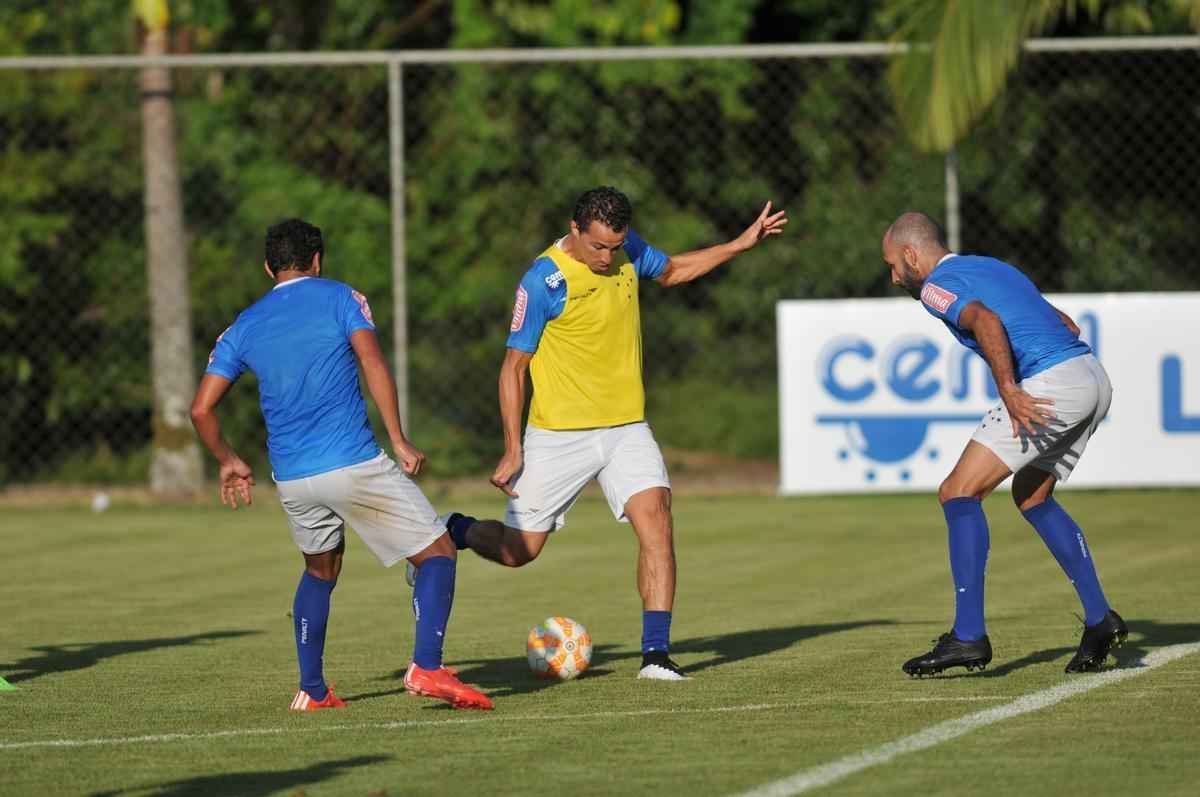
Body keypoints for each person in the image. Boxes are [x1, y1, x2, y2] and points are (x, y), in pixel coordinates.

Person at [421, 186, 786, 681]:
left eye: (616, 246)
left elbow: (674, 270)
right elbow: (513, 368)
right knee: (517, 552)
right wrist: (511, 448)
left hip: (626, 428)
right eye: (598, 247)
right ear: (575, 229)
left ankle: (655, 656)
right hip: (558, 435)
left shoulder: (627, 249)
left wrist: (738, 245)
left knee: (656, 519)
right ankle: (454, 529)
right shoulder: (543, 281)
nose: (608, 257)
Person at [189, 218, 492, 711]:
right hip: (351, 462)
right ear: (318, 260)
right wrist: (398, 437)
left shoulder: (244, 323)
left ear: (269, 267)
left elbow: (201, 409)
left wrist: (228, 460)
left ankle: (312, 691)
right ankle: (427, 667)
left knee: (320, 571)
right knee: (437, 552)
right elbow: (372, 362)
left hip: (292, 477)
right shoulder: (339, 297)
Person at [881, 211, 1126, 677]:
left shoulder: (935, 287)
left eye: (894, 264)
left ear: (913, 254)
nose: (894, 276)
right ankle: (1100, 620)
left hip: (1052, 384)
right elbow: (1066, 324)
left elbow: (987, 322)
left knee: (958, 492)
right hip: (1092, 377)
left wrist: (1010, 390)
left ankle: (968, 637)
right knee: (1031, 495)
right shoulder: (993, 266)